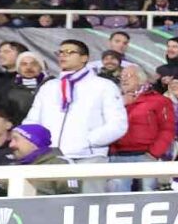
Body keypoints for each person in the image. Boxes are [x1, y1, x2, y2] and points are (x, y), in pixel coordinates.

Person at [23, 39, 128, 192]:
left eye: (69, 52)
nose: (63, 56)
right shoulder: (49, 86)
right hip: (51, 159)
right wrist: (36, 145)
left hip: (89, 158)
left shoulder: (103, 86)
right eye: (60, 52)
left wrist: (89, 141)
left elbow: (118, 124)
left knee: (89, 207)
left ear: (84, 58)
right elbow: (32, 121)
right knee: (49, 207)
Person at [109, 65, 176, 193]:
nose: (124, 80)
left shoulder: (159, 101)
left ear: (141, 79)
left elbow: (167, 129)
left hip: (146, 156)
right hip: (118, 156)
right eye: (121, 76)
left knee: (147, 197)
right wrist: (119, 104)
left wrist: (153, 154)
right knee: (119, 198)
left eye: (129, 76)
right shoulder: (114, 101)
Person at [6, 51, 48, 124]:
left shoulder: (51, 86)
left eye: (34, 64)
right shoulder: (9, 89)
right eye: (24, 64)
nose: (28, 67)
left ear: (41, 67)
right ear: (18, 68)